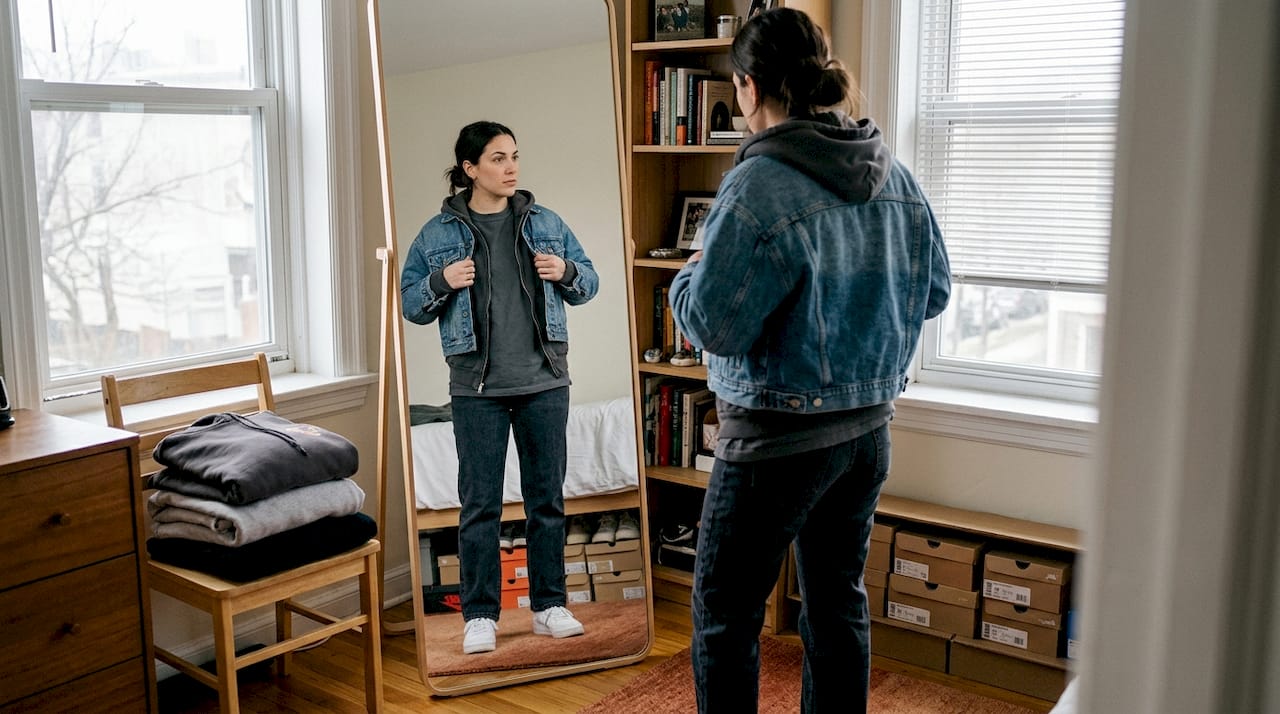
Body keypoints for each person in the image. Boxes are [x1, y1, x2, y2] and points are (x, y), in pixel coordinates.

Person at [667, 8, 951, 713]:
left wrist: (685, 273)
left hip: (775, 444)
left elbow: (713, 324)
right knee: (835, 604)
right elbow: (935, 291)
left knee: (725, 617)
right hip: (865, 436)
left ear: (749, 87)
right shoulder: (897, 176)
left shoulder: (758, 184)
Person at [401, 120, 599, 655]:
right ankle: (481, 614)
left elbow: (590, 281)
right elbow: (410, 305)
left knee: (546, 501)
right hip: (475, 389)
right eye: (497, 159)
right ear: (469, 170)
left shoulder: (545, 222)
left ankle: (549, 605)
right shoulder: (438, 236)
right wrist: (441, 282)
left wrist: (565, 271)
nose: (511, 167)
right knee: (479, 505)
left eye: (514, 156)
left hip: (545, 382)